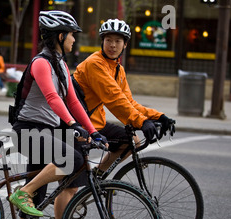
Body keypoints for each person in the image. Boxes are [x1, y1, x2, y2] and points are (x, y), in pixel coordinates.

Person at [8, 11, 107, 219]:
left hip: (47, 131)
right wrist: (74, 126)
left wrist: (92, 131)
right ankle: (22, 193)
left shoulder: (61, 64)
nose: (74, 39)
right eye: (72, 34)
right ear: (60, 35)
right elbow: (53, 98)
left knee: (40, 191)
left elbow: (73, 101)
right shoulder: (41, 63)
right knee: (71, 160)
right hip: (28, 130)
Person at [73, 19, 174, 175]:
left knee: (129, 141)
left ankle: (96, 178)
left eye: (118, 41)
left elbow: (128, 102)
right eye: (109, 40)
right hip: (77, 123)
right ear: (102, 41)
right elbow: (114, 100)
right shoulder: (95, 64)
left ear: (125, 44)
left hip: (93, 122)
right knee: (69, 185)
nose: (113, 45)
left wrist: (158, 116)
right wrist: (142, 121)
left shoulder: (118, 69)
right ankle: (87, 185)